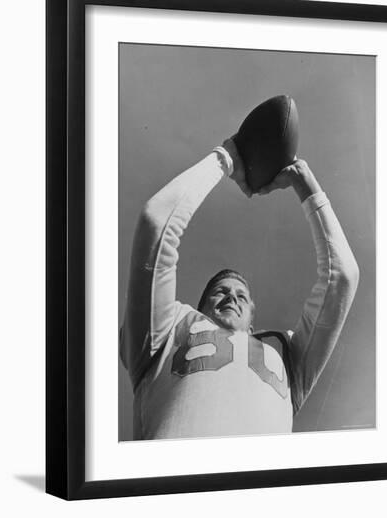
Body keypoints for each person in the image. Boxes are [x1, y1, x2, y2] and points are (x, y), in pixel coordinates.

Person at [120, 138, 359, 440]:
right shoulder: (165, 330)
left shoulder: (288, 356)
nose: (232, 295)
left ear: (252, 319)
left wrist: (304, 182)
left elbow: (343, 277)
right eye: (220, 291)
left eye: (242, 295)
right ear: (200, 305)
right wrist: (227, 157)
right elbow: (157, 222)